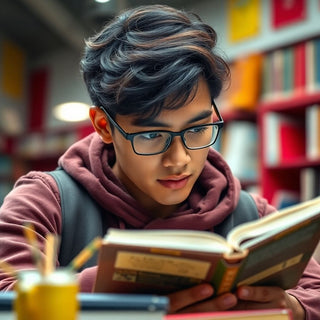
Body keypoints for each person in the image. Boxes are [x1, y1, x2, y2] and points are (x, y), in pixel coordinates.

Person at [0, 4, 319, 319]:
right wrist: (126, 293)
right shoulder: (44, 202)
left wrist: (292, 308)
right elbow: (7, 296)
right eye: (152, 135)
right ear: (103, 126)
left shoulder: (252, 216)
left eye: (197, 129)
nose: (179, 160)